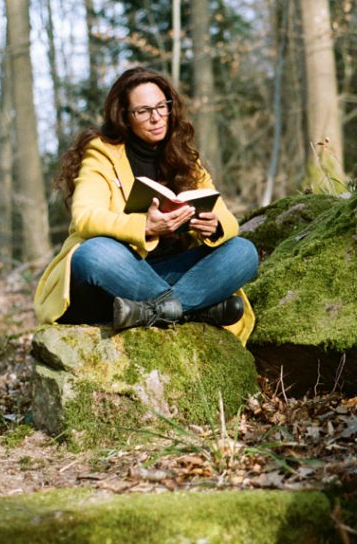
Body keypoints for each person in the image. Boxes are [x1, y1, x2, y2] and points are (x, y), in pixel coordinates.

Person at [33, 67, 259, 341]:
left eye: (162, 107)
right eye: (143, 111)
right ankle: (194, 310)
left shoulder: (184, 156)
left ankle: (156, 311)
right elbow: (85, 217)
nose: (156, 118)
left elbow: (227, 218)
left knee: (243, 251)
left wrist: (213, 226)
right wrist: (146, 226)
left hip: (167, 272)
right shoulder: (101, 152)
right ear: (125, 117)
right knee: (93, 253)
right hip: (118, 274)